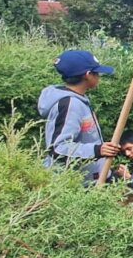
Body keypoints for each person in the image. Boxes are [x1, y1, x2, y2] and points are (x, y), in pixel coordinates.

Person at [37, 49, 120, 185]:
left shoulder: (79, 99)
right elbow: (58, 149)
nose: (99, 76)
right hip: (73, 184)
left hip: (89, 180)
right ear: (88, 75)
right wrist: (97, 150)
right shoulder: (70, 104)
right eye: (96, 72)